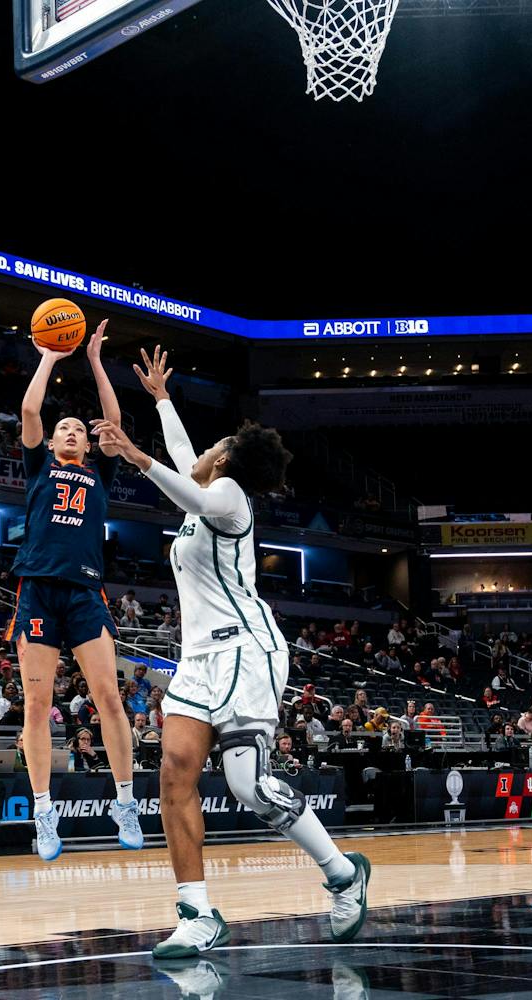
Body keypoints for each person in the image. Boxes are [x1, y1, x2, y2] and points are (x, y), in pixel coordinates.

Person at [92, 345, 369, 959]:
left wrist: (133, 455)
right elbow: (185, 462)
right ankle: (197, 912)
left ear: (229, 463)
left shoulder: (230, 500)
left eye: (214, 449)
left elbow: (189, 488)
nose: (204, 454)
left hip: (247, 650)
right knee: (173, 776)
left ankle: (344, 873)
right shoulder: (206, 490)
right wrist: (161, 399)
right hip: (196, 661)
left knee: (248, 786)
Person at [3, 323, 142, 862]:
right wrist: (47, 357)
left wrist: (96, 362)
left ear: (88, 443)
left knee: (110, 697)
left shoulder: (99, 473)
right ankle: (44, 813)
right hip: (38, 590)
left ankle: (125, 801)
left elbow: (114, 421)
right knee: (36, 705)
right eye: (64, 428)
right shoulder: (38, 466)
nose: (68, 432)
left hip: (86, 594)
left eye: (76, 430)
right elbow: (31, 413)